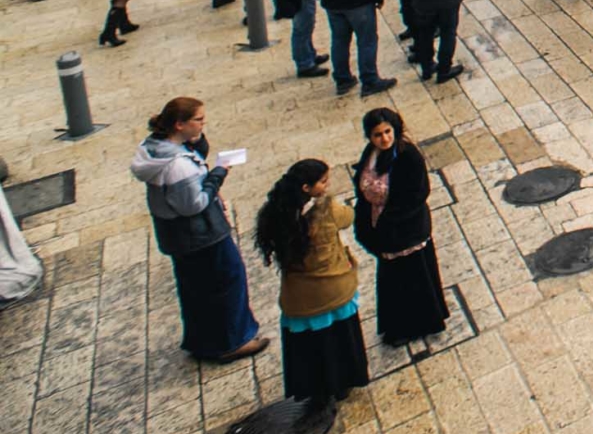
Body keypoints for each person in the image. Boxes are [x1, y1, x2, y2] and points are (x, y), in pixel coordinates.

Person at [130, 97, 268, 362]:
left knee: (195, 290)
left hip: (177, 235)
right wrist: (218, 174)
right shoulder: (178, 166)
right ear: (179, 124)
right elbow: (193, 204)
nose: (203, 124)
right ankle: (233, 341)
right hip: (200, 235)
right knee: (227, 279)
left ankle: (203, 341)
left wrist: (197, 140)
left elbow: (196, 156)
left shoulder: (155, 147)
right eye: (198, 120)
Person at [252, 158, 370, 414]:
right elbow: (348, 217)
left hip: (300, 296)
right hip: (333, 287)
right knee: (339, 340)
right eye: (323, 182)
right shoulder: (326, 210)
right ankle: (343, 383)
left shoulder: (277, 215)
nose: (327, 186)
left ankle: (318, 389)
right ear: (307, 188)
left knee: (313, 346)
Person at [353, 110, 449, 344]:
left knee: (412, 280)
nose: (384, 139)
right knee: (393, 282)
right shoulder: (371, 154)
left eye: (388, 132)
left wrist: (388, 221)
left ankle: (416, 326)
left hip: (405, 230)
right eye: (378, 135)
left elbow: (416, 195)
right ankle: (398, 325)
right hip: (383, 229)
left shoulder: (408, 156)